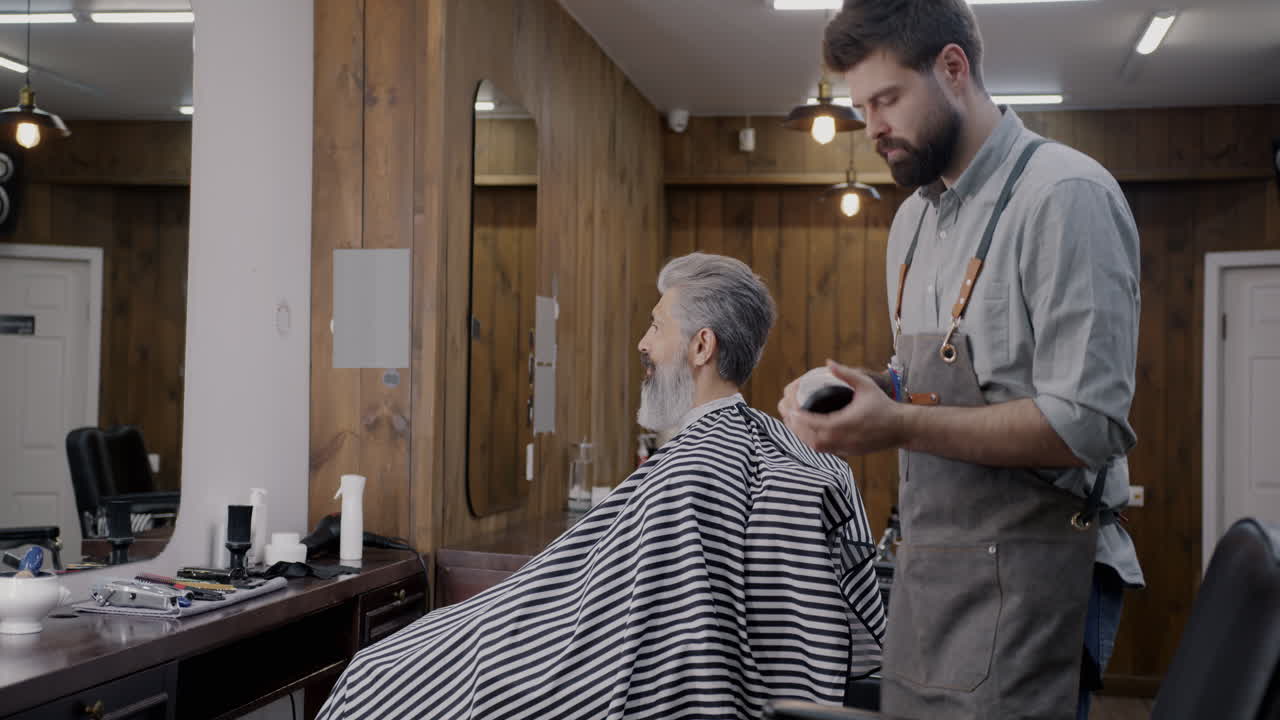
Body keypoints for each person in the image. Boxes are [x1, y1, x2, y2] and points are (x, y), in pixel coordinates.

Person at [318, 252, 885, 720]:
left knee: (379, 674)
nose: (642, 342)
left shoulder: (694, 473)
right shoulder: (769, 449)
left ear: (701, 347)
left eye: (656, 325)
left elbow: (637, 641)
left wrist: (435, 651)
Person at [778, 2, 1144, 718]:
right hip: (932, 575)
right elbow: (930, 386)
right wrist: (869, 392)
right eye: (861, 107)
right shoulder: (913, 219)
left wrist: (901, 426)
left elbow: (1087, 423)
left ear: (953, 68)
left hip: (1039, 573)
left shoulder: (1064, 197)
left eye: (887, 99)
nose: (874, 126)